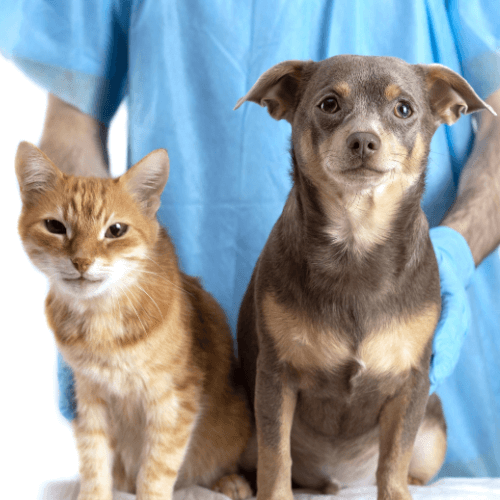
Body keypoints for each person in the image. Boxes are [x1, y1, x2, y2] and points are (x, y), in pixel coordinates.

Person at [1, 0, 499, 479]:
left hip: (417, 412)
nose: (363, 136)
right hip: (204, 402)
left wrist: (456, 249)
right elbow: (71, 125)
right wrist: (91, 261)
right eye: (330, 105)